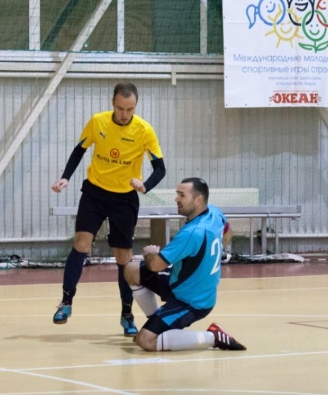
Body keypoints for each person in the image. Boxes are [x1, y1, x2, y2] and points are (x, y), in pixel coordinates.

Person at [51, 82, 166, 335]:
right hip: (94, 192)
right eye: (120, 108)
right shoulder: (98, 122)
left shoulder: (144, 130)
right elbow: (79, 150)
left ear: (135, 106)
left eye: (130, 109)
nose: (124, 114)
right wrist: (65, 177)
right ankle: (66, 302)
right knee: (81, 243)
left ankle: (127, 314)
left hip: (124, 199)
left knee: (123, 259)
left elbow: (160, 168)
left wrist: (145, 185)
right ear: (112, 103)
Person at [124, 177, 246, 352]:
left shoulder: (192, 233)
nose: (176, 199)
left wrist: (150, 253)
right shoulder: (215, 213)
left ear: (198, 200)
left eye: (182, 195)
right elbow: (227, 232)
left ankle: (213, 337)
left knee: (146, 341)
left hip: (191, 302)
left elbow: (156, 265)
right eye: (177, 194)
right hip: (181, 281)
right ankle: (158, 321)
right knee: (131, 270)